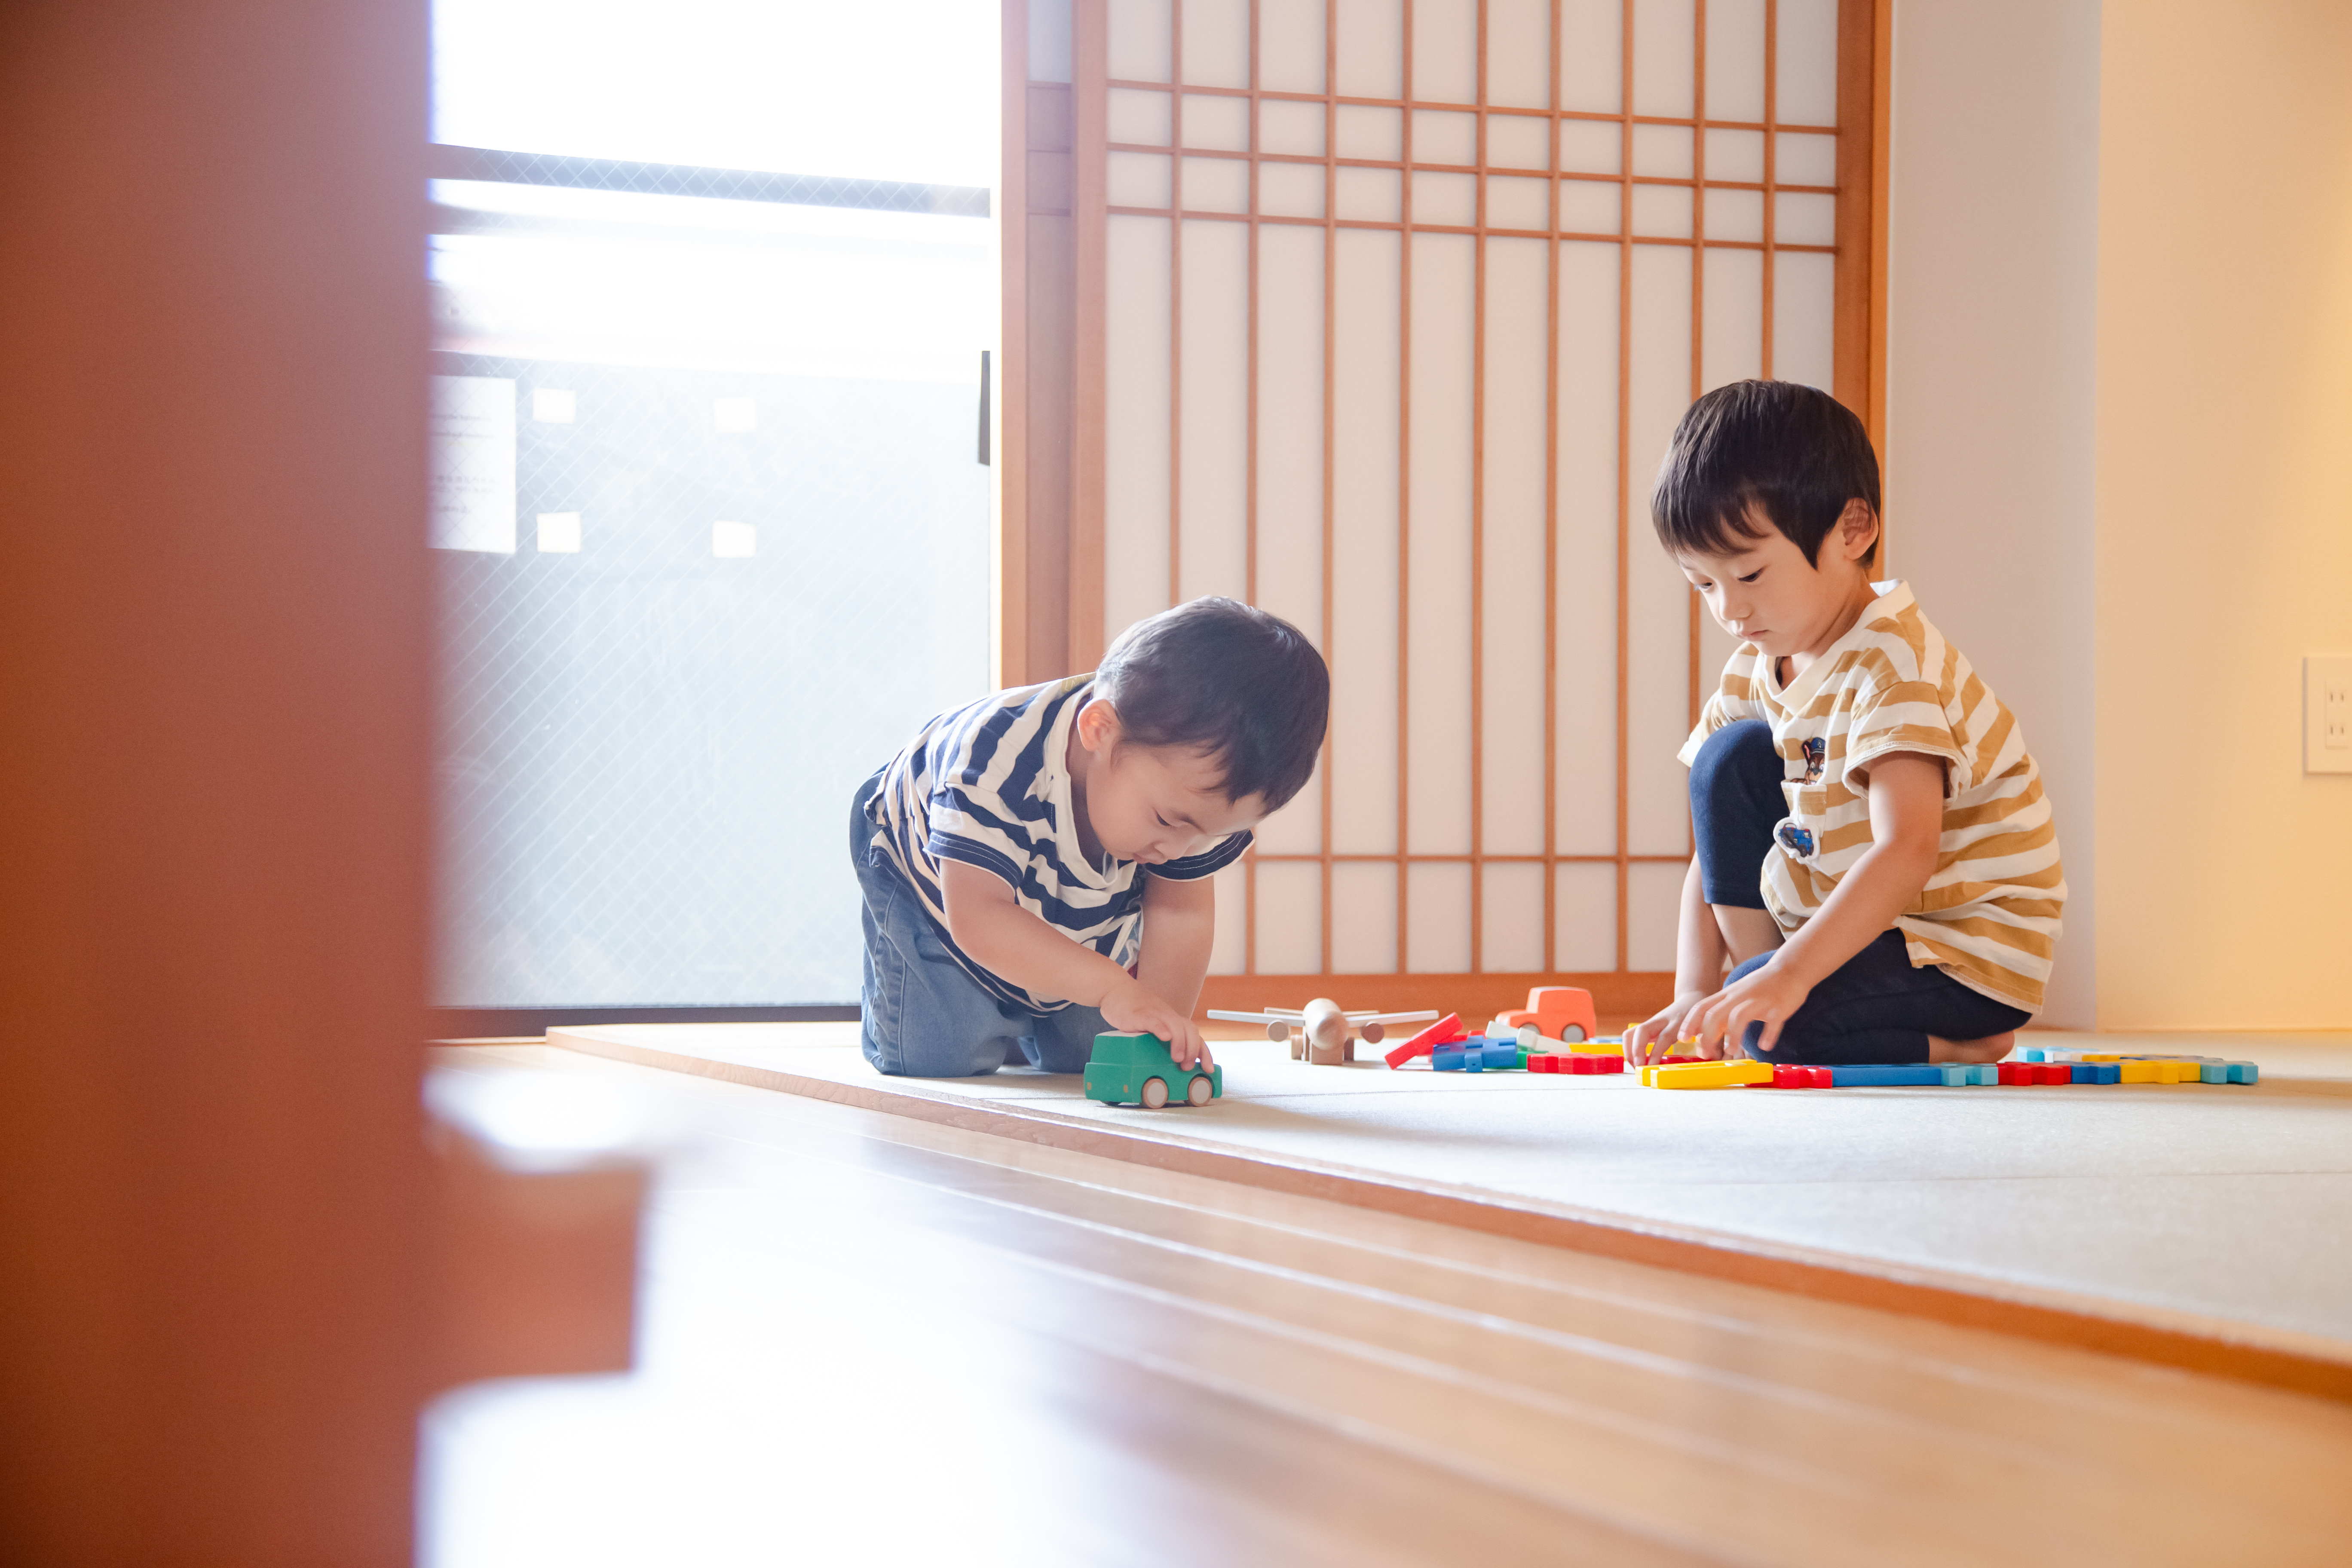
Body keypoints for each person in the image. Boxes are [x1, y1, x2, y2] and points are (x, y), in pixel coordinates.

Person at [1628, 381, 2064, 1067]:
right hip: (1862, 935)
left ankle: (1964, 1042)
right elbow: (1712, 851)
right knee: (1725, 758)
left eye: (1749, 574)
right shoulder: (1756, 666)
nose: (1729, 612)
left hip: (1957, 952)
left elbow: (1909, 848)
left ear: (1852, 531)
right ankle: (1758, 986)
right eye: (1704, 585)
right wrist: (1694, 990)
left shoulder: (1893, 665)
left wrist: (1791, 978)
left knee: (1781, 1029)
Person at [852, 596, 1329, 1078]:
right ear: (1099, 730)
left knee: (1094, 1057)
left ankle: (1014, 1018)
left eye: (1203, 836)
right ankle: (949, 1012)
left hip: (1075, 906)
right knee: (940, 1055)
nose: (1176, 851)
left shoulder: (1183, 807)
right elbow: (978, 916)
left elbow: (1180, 913)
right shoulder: (992, 762)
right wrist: (1110, 988)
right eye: (1167, 821)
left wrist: (1157, 1030)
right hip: (934, 886)